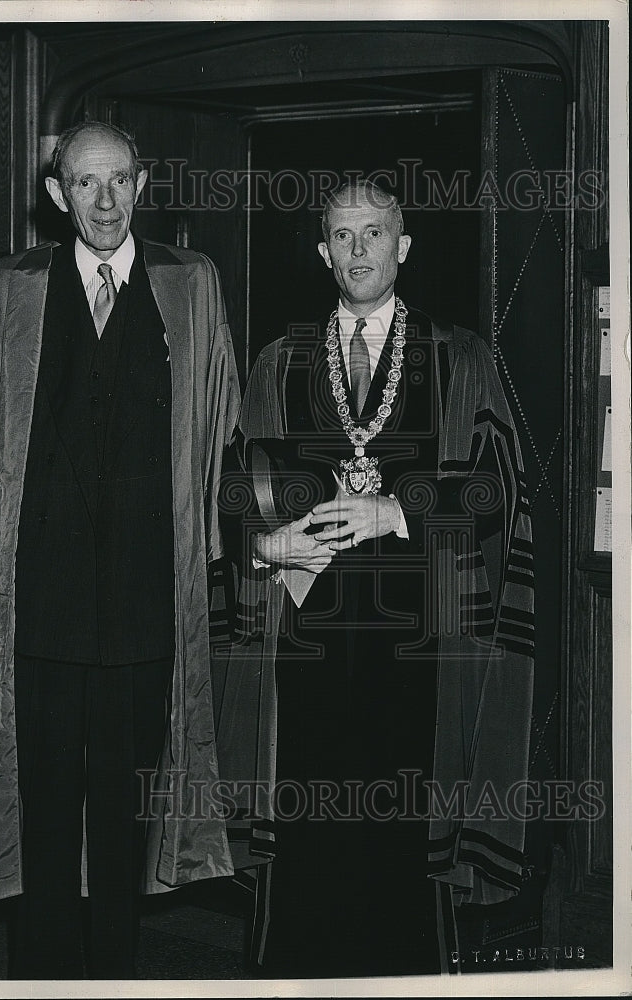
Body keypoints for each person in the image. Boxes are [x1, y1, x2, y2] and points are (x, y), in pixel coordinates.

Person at [0, 121, 240, 979]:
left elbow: (221, 435)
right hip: (39, 607)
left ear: (143, 184)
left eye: (119, 181)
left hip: (145, 607)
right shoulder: (12, 287)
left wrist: (235, 547)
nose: (104, 201)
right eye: (85, 184)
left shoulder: (190, 285)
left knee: (125, 821)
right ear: (56, 194)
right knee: (43, 816)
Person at [215, 180, 535, 977]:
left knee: (403, 838)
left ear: (404, 245)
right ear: (322, 252)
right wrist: (264, 544)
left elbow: (499, 488)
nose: (358, 251)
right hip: (304, 643)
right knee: (305, 838)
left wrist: (396, 510)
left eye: (374, 233)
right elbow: (229, 488)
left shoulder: (459, 356)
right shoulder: (278, 363)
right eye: (341, 236)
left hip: (420, 645)